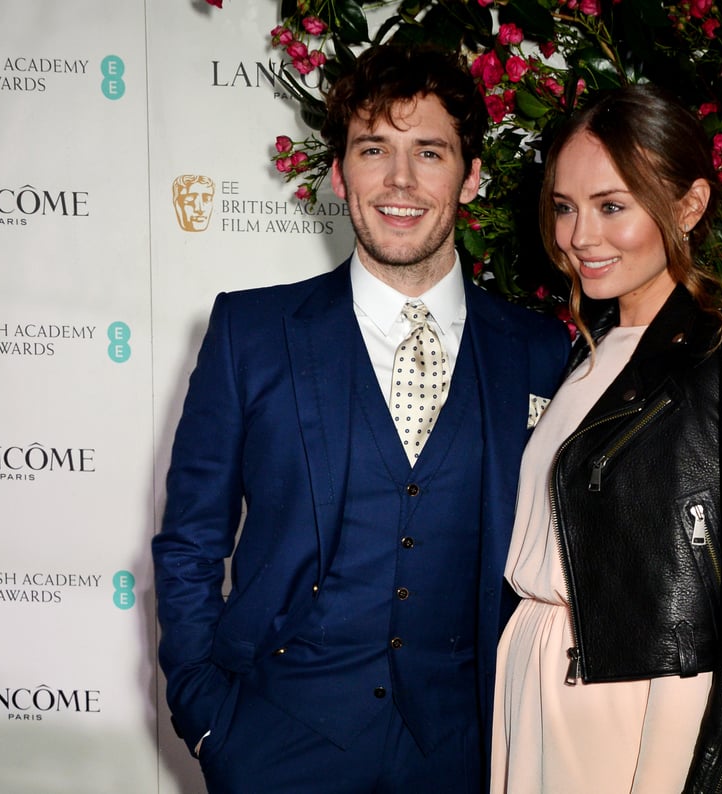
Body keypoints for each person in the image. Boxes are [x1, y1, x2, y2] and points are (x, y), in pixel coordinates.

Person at [152, 44, 570, 793]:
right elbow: (189, 541)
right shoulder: (251, 332)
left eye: (430, 153)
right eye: (374, 149)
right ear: (340, 174)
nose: (400, 181)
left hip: (465, 754)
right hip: (275, 744)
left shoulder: (539, 351)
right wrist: (208, 714)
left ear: (471, 177)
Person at [490, 85, 722, 793]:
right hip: (539, 673)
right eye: (565, 207)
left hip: (635, 693)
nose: (581, 236)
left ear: (688, 206)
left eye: (612, 206)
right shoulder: (593, 351)